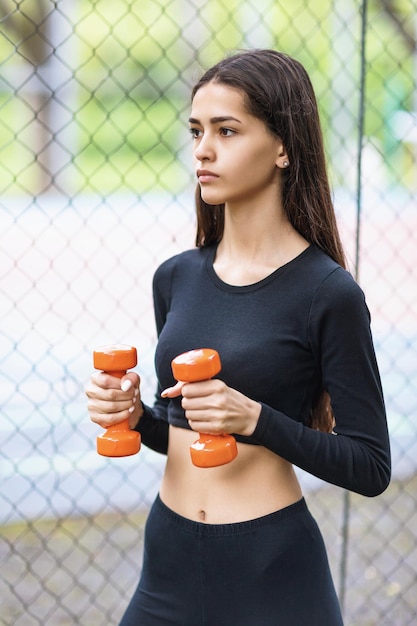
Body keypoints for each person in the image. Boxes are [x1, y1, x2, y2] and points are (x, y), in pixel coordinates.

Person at [86, 49, 391, 625]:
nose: (203, 149)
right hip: (167, 565)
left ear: (282, 148)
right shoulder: (175, 277)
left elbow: (371, 466)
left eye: (227, 130)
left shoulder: (328, 294)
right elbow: (178, 428)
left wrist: (256, 420)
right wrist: (131, 415)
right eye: (197, 130)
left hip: (272, 574)